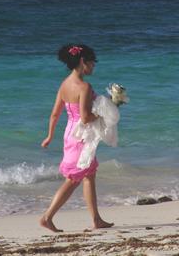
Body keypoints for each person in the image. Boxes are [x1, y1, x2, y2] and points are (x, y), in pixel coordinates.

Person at [40, 44, 114, 232]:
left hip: (70, 134)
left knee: (89, 174)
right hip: (81, 137)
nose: (94, 67)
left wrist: (49, 136)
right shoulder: (84, 86)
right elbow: (86, 117)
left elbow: (55, 114)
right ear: (83, 62)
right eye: (92, 63)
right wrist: (106, 112)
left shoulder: (65, 84)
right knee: (73, 179)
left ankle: (96, 219)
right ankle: (47, 217)